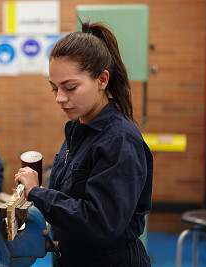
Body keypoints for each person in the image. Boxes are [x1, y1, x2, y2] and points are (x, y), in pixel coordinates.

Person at [14, 19, 153, 267]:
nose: (59, 98)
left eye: (70, 87)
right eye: (54, 88)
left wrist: (38, 193)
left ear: (102, 80)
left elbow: (101, 222)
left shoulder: (119, 140)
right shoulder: (79, 129)